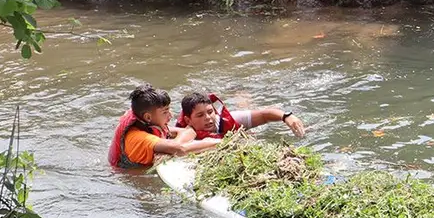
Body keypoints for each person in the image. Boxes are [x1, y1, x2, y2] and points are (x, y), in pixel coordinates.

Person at [107, 84, 220, 169]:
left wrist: (173, 145)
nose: (170, 116)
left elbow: (188, 132)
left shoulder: (147, 123)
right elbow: (181, 149)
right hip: (129, 175)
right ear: (148, 117)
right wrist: (216, 142)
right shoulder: (139, 138)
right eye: (165, 112)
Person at [176, 92, 305, 140]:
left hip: (237, 125)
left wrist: (287, 117)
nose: (208, 118)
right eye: (200, 115)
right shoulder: (184, 134)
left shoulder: (226, 120)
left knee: (248, 108)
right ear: (188, 120)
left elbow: (265, 115)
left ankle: (241, 94)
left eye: (210, 112)